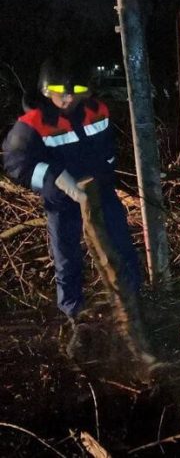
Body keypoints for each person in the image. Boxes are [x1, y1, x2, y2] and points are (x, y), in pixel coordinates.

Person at [2, 55, 142, 337]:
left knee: (122, 246)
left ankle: (131, 301)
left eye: (74, 93)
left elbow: (107, 147)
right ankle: (75, 314)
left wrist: (105, 175)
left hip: (101, 194)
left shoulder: (97, 111)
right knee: (67, 258)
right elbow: (16, 164)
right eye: (59, 93)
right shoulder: (31, 124)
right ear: (46, 90)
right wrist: (56, 180)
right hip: (62, 202)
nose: (67, 99)